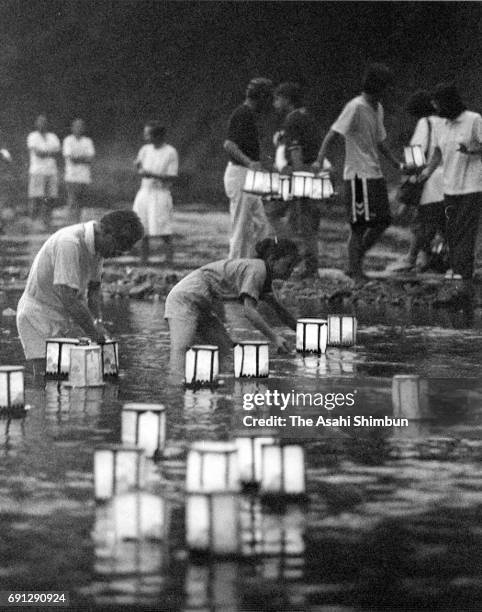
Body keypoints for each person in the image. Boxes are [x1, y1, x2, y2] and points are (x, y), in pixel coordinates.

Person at [16, 210, 144, 374]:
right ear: (105, 232)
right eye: (116, 250)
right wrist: (93, 332)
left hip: (62, 315)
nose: (114, 255)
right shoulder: (69, 243)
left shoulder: (98, 249)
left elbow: (94, 291)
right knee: (46, 377)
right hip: (38, 315)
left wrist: (97, 323)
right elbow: (68, 298)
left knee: (69, 376)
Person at [313, 63, 404, 281]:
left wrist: (395, 163)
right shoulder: (355, 106)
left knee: (383, 220)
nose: (390, 91)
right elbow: (333, 133)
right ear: (379, 86)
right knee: (359, 225)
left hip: (374, 173)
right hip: (357, 175)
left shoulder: (377, 108)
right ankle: (355, 271)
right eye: (388, 87)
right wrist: (319, 161)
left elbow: (379, 140)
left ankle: (354, 261)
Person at [164, 237, 299, 383]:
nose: (292, 270)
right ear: (273, 260)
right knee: (182, 349)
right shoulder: (258, 271)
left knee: (225, 350)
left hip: (203, 304)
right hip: (186, 297)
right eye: (289, 264)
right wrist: (275, 338)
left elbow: (280, 311)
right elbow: (250, 312)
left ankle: (218, 388)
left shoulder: (264, 276)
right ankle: (175, 388)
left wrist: (302, 330)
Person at [419, 83, 482, 281]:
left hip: (472, 186)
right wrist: (426, 172)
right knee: (452, 230)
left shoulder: (474, 120)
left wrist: (471, 152)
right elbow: (437, 151)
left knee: (465, 230)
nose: (436, 109)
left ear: (449, 103)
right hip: (449, 187)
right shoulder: (442, 124)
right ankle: (458, 269)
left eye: (438, 105)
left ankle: (462, 274)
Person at [271, 82, 331, 278]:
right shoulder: (307, 117)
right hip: (315, 172)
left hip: (302, 173)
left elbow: (296, 149)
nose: (275, 103)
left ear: (287, 100)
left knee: (296, 219)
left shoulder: (292, 120)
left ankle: (307, 265)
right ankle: (308, 263)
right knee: (309, 220)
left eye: (278, 99)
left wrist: (297, 176)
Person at [394, 90, 446, 272]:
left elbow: (416, 154)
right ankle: (434, 258)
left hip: (431, 179)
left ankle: (411, 258)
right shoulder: (449, 121)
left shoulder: (425, 123)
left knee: (421, 221)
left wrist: (407, 178)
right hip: (451, 179)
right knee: (441, 223)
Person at [223, 77, 275, 259]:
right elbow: (229, 145)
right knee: (241, 225)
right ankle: (235, 265)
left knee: (260, 224)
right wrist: (250, 162)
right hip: (241, 173)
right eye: (268, 98)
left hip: (248, 174)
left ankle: (253, 264)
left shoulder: (250, 115)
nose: (270, 103)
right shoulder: (242, 114)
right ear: (260, 97)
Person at [133, 121, 179, 265]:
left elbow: (172, 176)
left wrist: (152, 175)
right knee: (142, 229)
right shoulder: (145, 149)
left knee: (163, 228)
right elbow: (139, 164)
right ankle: (143, 260)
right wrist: (139, 168)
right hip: (145, 192)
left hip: (160, 193)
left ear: (158, 135)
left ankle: (169, 260)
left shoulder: (170, 151)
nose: (146, 137)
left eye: (149, 134)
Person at [27, 114, 61, 229]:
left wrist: (45, 152)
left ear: (47, 124)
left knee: (50, 198)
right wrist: (49, 152)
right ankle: (33, 222)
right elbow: (38, 153)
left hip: (51, 171)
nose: (42, 124)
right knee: (36, 197)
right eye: (40, 122)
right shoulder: (32, 136)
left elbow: (57, 152)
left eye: (44, 122)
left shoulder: (53, 137)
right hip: (37, 171)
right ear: (36, 124)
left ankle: (46, 221)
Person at [63, 118, 95, 223]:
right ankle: (70, 223)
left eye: (81, 126)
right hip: (71, 176)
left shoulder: (88, 141)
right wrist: (83, 158)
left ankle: (78, 222)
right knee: (72, 201)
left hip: (84, 177)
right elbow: (71, 159)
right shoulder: (68, 140)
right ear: (72, 128)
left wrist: (78, 158)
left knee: (81, 202)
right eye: (76, 126)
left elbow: (90, 159)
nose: (78, 129)